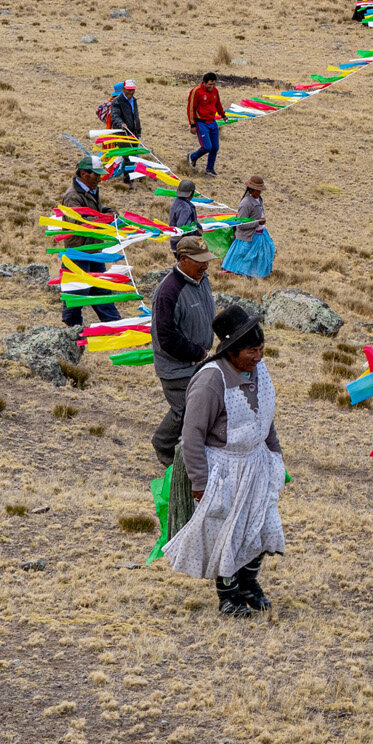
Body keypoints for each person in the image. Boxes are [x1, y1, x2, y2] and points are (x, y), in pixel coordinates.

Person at [161, 304, 285, 618]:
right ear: (231, 350)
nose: (258, 357)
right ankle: (228, 596)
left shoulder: (259, 370)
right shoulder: (210, 382)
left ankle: (249, 584)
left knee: (258, 526)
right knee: (226, 533)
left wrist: (275, 458)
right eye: (252, 351)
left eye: (262, 349)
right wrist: (200, 485)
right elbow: (192, 435)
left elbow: (265, 419)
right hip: (223, 470)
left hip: (256, 463)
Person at [151, 235, 217, 469]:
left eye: (207, 259)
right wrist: (196, 353)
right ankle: (166, 449)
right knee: (188, 412)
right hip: (176, 368)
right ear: (182, 259)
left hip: (198, 362)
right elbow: (166, 338)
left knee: (195, 410)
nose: (205, 265)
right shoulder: (168, 291)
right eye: (199, 260)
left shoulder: (203, 280)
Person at [60, 158, 124, 332]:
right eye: (96, 175)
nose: (100, 179)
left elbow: (93, 212)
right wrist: (103, 220)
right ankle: (71, 328)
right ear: (83, 174)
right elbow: (78, 221)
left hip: (94, 250)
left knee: (101, 290)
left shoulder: (92, 190)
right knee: (77, 292)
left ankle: (114, 324)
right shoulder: (72, 196)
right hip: (79, 251)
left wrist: (107, 211)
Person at [222, 175, 275, 279]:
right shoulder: (245, 204)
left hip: (259, 234)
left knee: (257, 257)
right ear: (251, 190)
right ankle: (244, 275)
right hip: (248, 237)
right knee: (245, 257)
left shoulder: (259, 199)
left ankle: (254, 275)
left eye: (260, 191)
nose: (259, 193)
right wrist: (258, 223)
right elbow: (241, 225)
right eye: (257, 190)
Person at [186, 72, 222, 175]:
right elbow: (190, 108)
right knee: (207, 147)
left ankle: (210, 169)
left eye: (213, 84)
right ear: (204, 83)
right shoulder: (196, 91)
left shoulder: (215, 91)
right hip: (201, 123)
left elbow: (218, 103)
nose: (212, 87)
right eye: (210, 84)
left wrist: (222, 114)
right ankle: (192, 157)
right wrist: (192, 124)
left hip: (212, 122)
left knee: (215, 147)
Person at [110, 79, 143, 183]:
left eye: (133, 90)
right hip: (122, 133)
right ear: (123, 89)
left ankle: (129, 176)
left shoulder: (134, 100)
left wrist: (138, 130)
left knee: (133, 155)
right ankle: (128, 180)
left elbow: (136, 117)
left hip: (134, 132)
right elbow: (114, 116)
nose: (131, 92)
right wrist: (121, 124)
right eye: (129, 90)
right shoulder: (117, 102)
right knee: (129, 156)